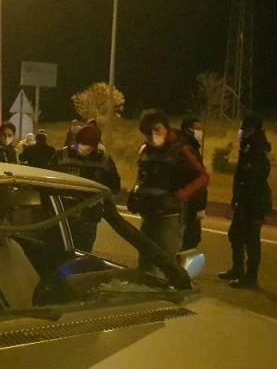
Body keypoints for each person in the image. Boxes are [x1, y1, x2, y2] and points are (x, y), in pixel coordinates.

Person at [127, 109, 209, 275]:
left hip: (170, 215)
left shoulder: (181, 149)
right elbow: (142, 176)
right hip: (148, 212)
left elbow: (203, 178)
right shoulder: (145, 149)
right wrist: (134, 194)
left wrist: (177, 196)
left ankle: (171, 289)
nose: (153, 136)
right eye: (148, 132)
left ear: (166, 127)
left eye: (157, 129)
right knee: (145, 261)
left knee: (167, 262)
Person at [218, 115, 272, 288]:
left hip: (253, 202)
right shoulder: (248, 147)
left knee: (251, 239)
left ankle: (250, 277)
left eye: (243, 128)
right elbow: (241, 178)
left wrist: (257, 211)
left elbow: (256, 182)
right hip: (244, 200)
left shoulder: (257, 149)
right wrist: (235, 200)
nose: (240, 132)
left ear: (252, 129)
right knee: (235, 234)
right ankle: (237, 269)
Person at [52, 124, 121, 252]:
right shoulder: (62, 155)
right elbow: (48, 181)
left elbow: (114, 186)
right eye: (81, 145)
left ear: (95, 146)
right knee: (60, 250)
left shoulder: (104, 159)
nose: (83, 150)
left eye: (88, 148)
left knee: (83, 252)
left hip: (89, 217)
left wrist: (101, 199)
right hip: (62, 215)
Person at [178, 118, 208, 250]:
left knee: (188, 239)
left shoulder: (189, 148)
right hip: (188, 204)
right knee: (188, 240)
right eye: (197, 129)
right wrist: (199, 206)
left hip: (187, 202)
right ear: (187, 130)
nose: (200, 132)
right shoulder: (187, 150)